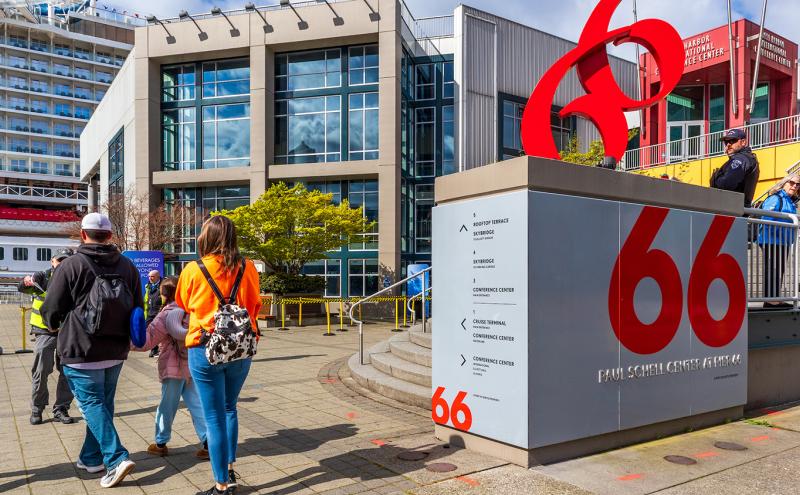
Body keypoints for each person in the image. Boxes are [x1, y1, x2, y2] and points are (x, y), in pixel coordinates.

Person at [40, 212, 143, 489]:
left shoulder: (71, 265)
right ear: (110, 236)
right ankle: (91, 457)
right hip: (116, 350)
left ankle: (116, 457)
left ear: (82, 234)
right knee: (102, 406)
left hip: (81, 349)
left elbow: (51, 307)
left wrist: (52, 327)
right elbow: (139, 308)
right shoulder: (128, 266)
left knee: (92, 406)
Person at [176, 216, 261, 495]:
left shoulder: (193, 269)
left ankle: (222, 485)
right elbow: (255, 305)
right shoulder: (248, 267)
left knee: (213, 416)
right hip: (241, 347)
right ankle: (230, 469)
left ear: (206, 238)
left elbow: (183, 303)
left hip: (205, 346)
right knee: (229, 408)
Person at [131, 276, 209, 459]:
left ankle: (160, 443)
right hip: (192, 365)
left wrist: (126, 341)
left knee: (167, 406)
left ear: (163, 294)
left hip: (172, 368)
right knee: (197, 404)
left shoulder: (166, 314)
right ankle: (208, 443)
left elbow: (147, 342)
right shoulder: (193, 310)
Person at [17, 248, 75, 425]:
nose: (62, 264)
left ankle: (61, 408)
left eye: (66, 260)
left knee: (68, 371)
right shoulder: (42, 276)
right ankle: (37, 408)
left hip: (67, 332)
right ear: (52, 261)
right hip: (44, 332)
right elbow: (22, 287)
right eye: (59, 260)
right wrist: (25, 282)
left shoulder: (75, 279)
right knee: (41, 371)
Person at [757, 174, 800, 308]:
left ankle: (774, 299)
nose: (795, 186)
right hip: (771, 240)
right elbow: (766, 219)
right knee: (772, 270)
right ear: (784, 183)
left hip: (783, 242)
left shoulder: (790, 201)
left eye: (798, 184)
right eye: (792, 183)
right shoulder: (776, 198)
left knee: (778, 270)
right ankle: (771, 300)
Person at [710, 128, 760, 206]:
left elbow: (727, 184)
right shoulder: (746, 158)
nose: (728, 144)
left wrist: (715, 180)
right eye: (726, 142)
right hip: (735, 209)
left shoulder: (741, 159)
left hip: (732, 209)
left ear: (743, 142)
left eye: (732, 141)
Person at [145, 269, 163, 358]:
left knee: (158, 332)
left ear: (158, 277)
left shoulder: (163, 285)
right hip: (150, 312)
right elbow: (146, 299)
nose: (150, 278)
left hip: (159, 312)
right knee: (148, 331)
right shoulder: (148, 286)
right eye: (149, 276)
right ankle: (154, 348)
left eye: (152, 276)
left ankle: (155, 350)